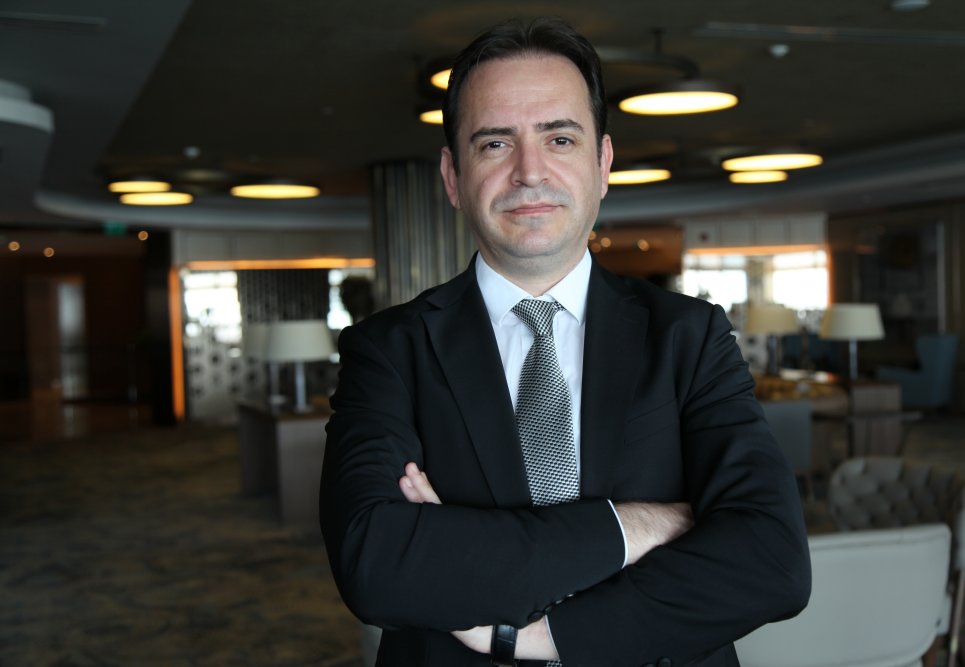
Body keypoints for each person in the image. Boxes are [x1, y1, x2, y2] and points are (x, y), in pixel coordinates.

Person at [320, 17, 810, 667]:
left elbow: (773, 561)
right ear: (452, 176)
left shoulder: (689, 336)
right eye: (495, 143)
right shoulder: (388, 350)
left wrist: (536, 634)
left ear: (602, 164)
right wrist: (638, 526)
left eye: (559, 138)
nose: (529, 171)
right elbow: (376, 565)